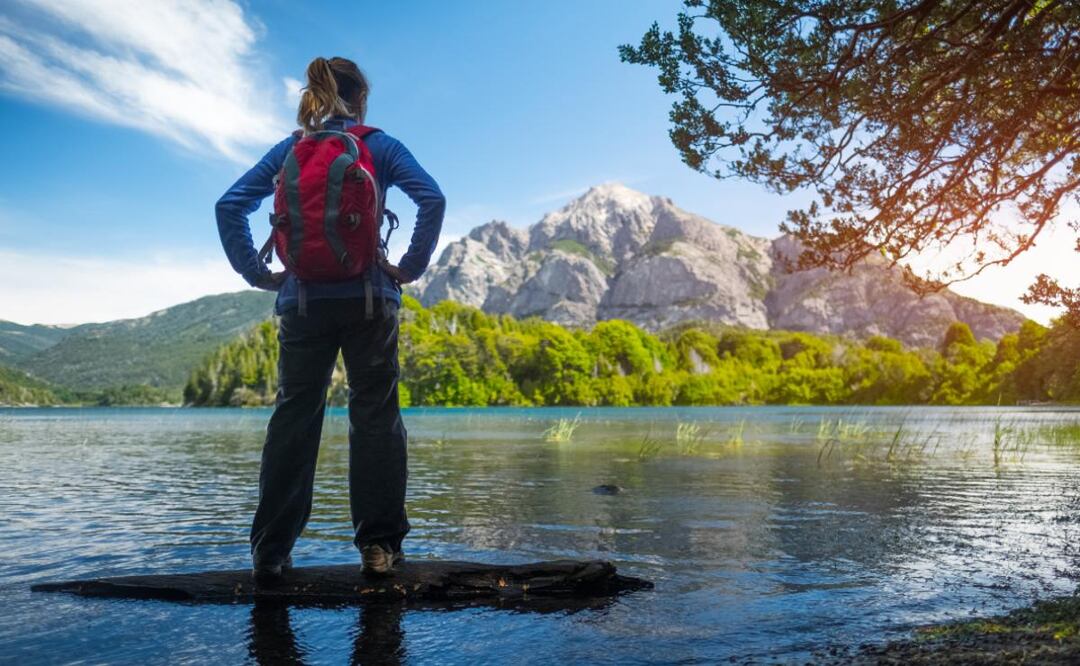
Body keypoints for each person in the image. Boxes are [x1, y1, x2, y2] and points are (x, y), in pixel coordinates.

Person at [215, 56, 444, 581]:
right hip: (369, 301)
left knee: (294, 420)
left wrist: (258, 272)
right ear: (360, 99)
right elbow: (432, 197)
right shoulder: (379, 145)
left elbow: (229, 206)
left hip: (301, 302)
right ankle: (380, 549)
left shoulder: (291, 148)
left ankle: (270, 552)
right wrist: (406, 267)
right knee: (375, 418)